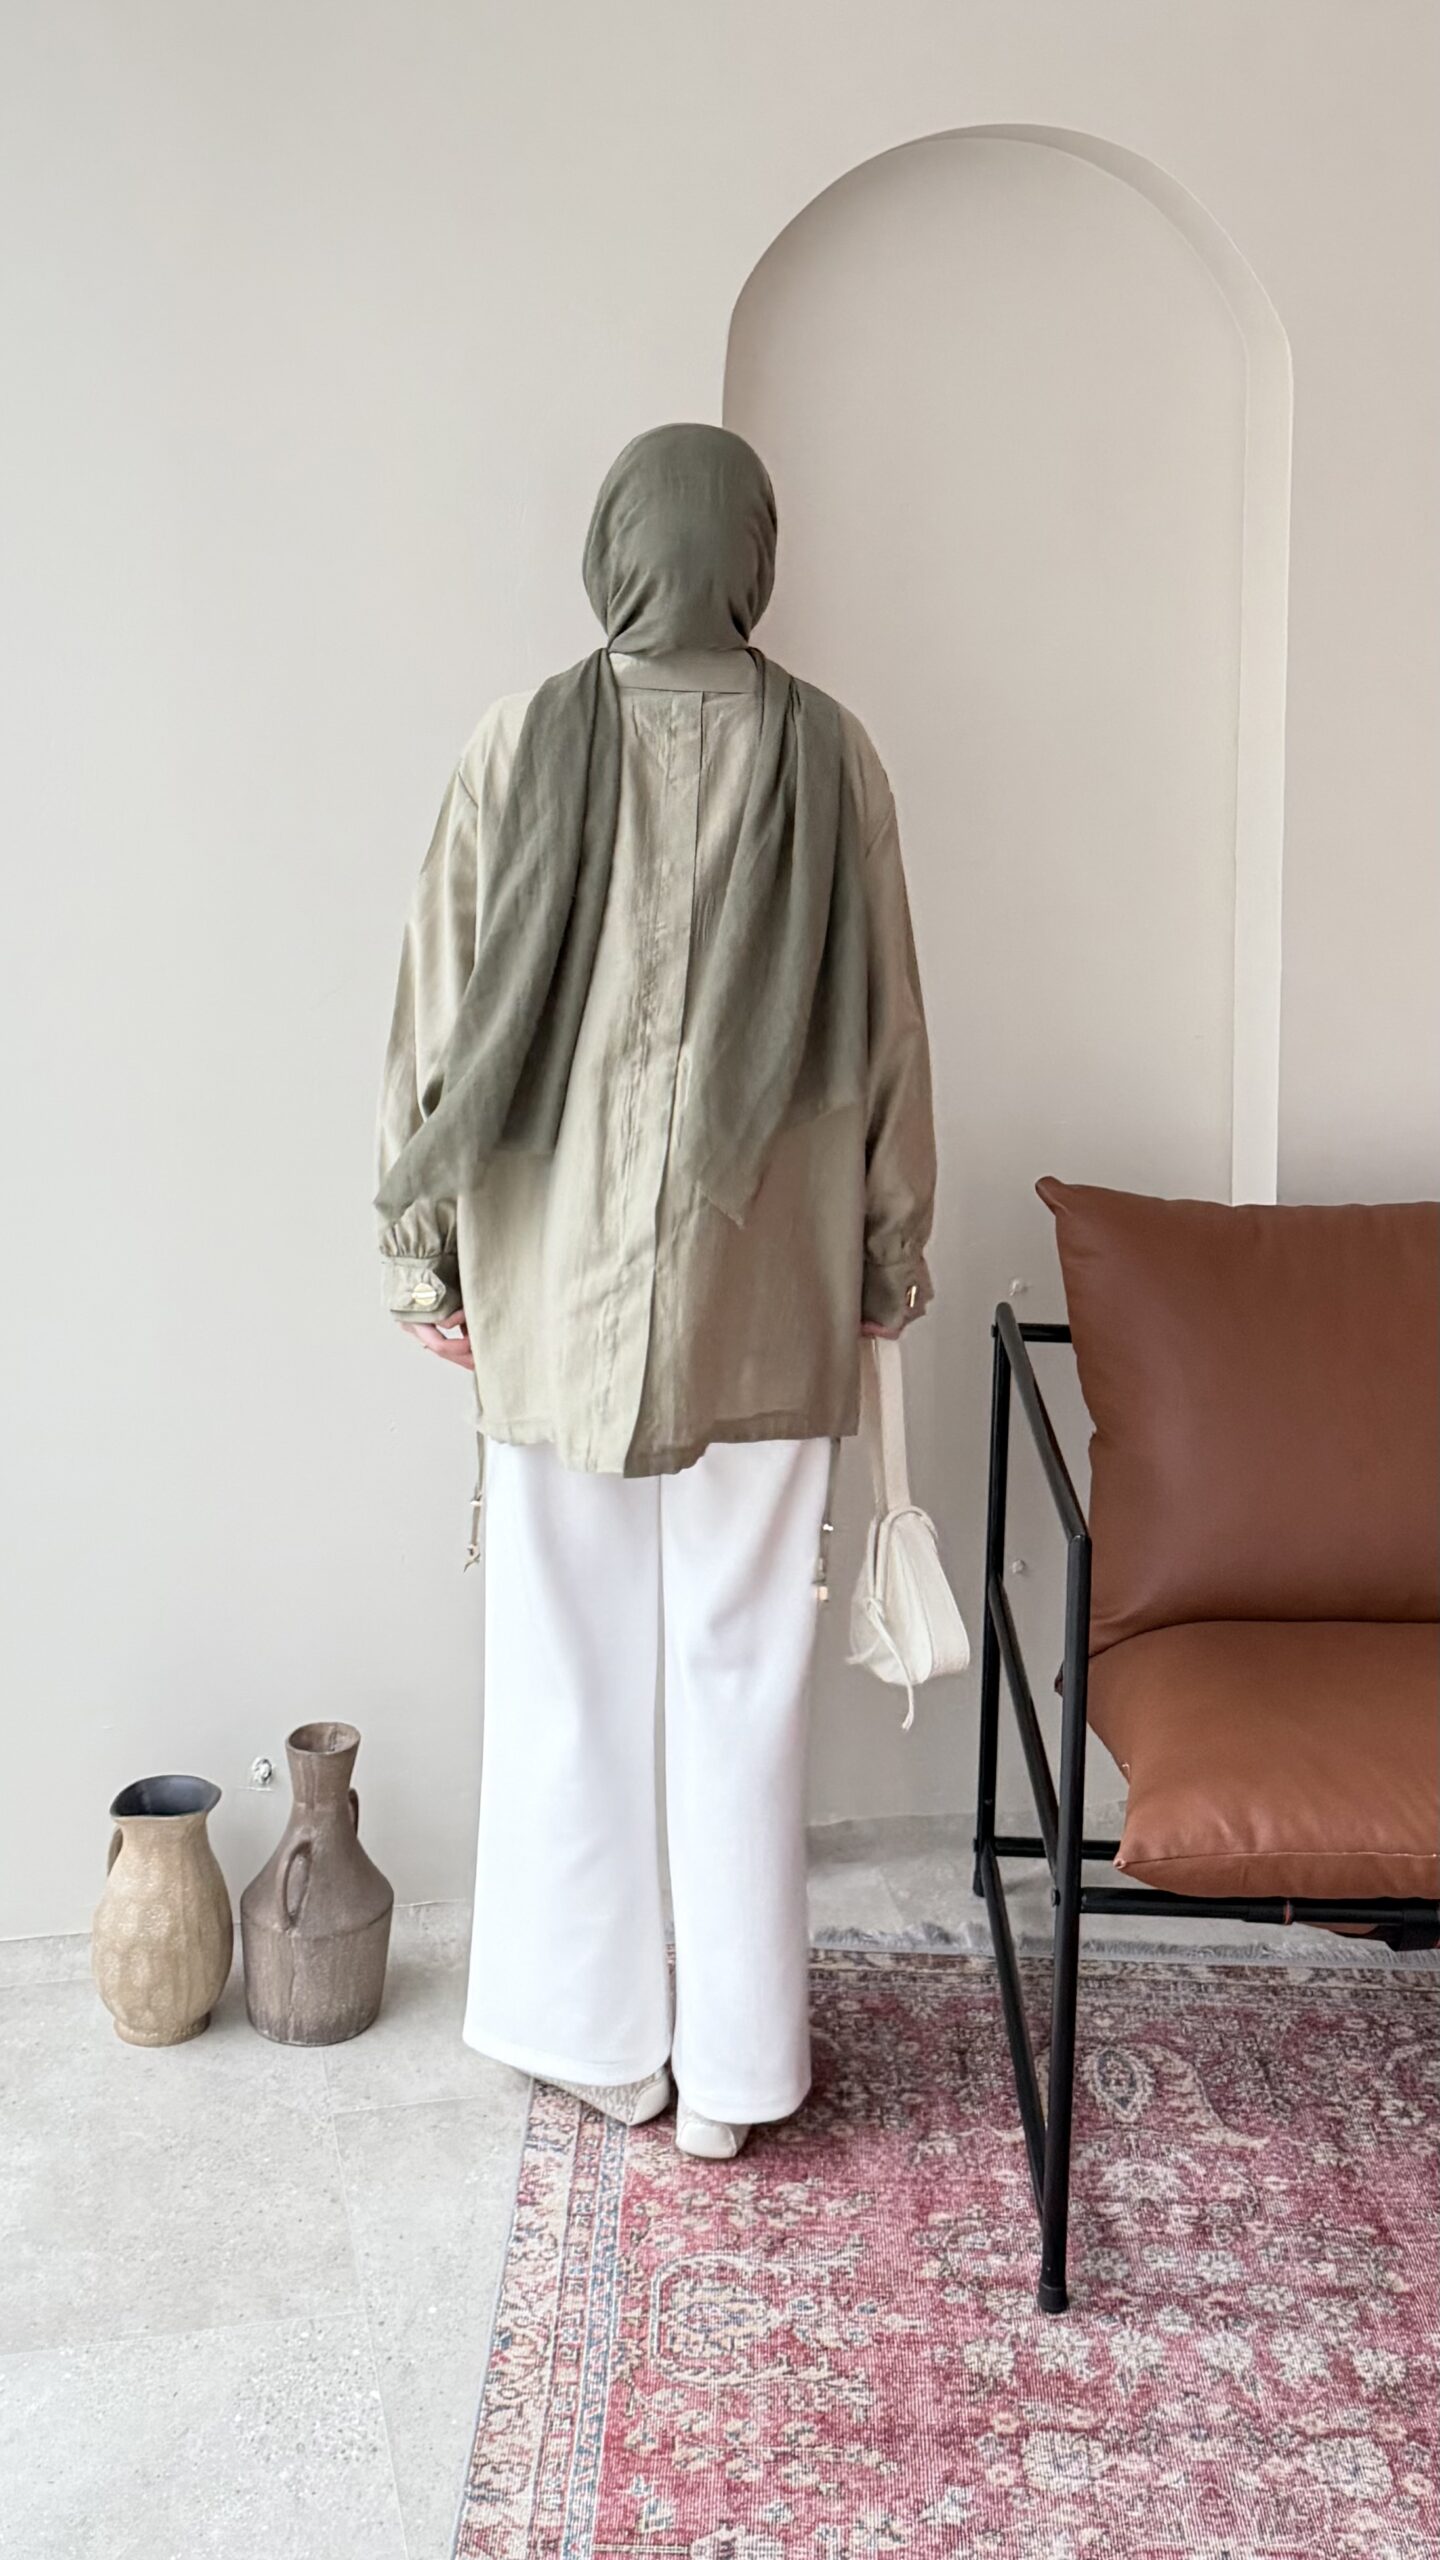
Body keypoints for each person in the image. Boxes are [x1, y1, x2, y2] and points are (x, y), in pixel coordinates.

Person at [374, 422, 936, 2159]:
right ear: (751, 554)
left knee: (565, 1669)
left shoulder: (517, 742)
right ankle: (742, 2076)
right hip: (771, 1300)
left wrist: (422, 1247)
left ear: (614, 546)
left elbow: (438, 1007)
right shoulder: (831, 754)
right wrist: (886, 1253)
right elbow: (891, 1028)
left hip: (551, 1293)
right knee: (745, 1679)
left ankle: (598, 2042)